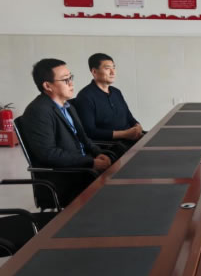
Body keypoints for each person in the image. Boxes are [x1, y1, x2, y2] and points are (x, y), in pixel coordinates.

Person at [21, 58, 112, 206]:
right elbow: (49, 154)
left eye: (71, 77)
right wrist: (91, 162)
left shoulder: (67, 106)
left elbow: (83, 138)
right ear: (48, 86)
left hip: (84, 170)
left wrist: (97, 152)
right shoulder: (38, 112)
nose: (71, 83)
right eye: (65, 80)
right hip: (67, 179)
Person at [73, 53, 143, 155]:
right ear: (94, 71)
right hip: (112, 145)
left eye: (114, 68)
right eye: (107, 68)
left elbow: (129, 117)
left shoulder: (116, 92)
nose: (113, 72)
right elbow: (90, 132)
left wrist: (137, 126)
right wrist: (124, 134)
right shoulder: (85, 96)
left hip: (130, 138)